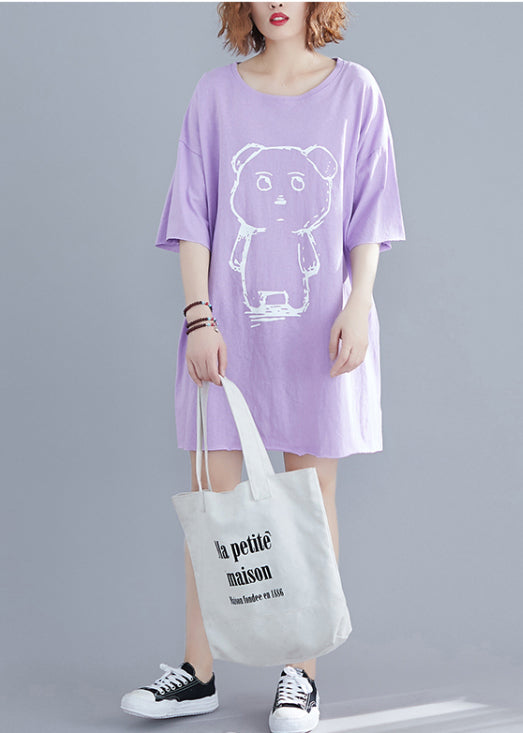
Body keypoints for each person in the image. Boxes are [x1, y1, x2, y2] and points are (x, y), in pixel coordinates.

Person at [120, 2, 406, 731]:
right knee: (214, 501)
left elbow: (370, 211)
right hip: (226, 333)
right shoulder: (215, 95)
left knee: (310, 494)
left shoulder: (355, 91)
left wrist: (359, 304)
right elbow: (193, 214)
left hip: (321, 329)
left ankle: (299, 674)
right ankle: (198, 671)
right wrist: (198, 316)